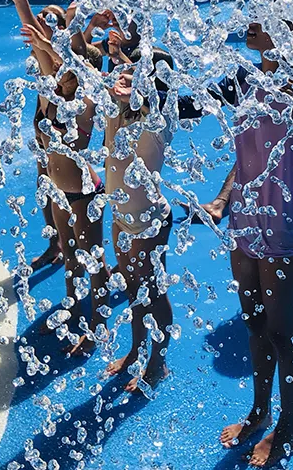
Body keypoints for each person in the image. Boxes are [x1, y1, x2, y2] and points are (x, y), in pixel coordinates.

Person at [213, 21, 293, 466]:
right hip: (244, 223)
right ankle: (260, 411)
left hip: (284, 229)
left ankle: (289, 428)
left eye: (266, 16)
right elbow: (185, 104)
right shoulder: (243, 79)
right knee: (254, 323)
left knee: (282, 332)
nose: (252, 23)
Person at [20, 13, 108, 357]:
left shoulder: (86, 105)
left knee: (93, 262)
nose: (60, 69)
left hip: (84, 194)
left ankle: (98, 325)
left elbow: (63, 60)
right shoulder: (52, 97)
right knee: (70, 256)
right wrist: (20, 1)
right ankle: (72, 307)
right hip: (59, 192)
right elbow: (44, 57)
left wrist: (48, 43)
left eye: (69, 67)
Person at [103, 43, 176, 392]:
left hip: (149, 221)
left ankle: (158, 363)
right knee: (133, 291)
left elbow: (150, 104)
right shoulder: (118, 106)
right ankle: (136, 350)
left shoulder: (160, 117)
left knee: (153, 293)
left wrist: (135, 90)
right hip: (120, 217)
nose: (128, 77)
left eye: (139, 73)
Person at [3, 0, 68, 271]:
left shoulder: (62, 64)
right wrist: (21, 0)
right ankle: (55, 244)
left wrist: (22, 1)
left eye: (49, 17)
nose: (41, 18)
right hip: (44, 138)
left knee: (65, 197)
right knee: (44, 189)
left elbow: (40, 37)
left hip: (63, 144)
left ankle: (74, 250)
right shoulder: (43, 55)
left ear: (61, 30)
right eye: (41, 14)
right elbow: (34, 32)